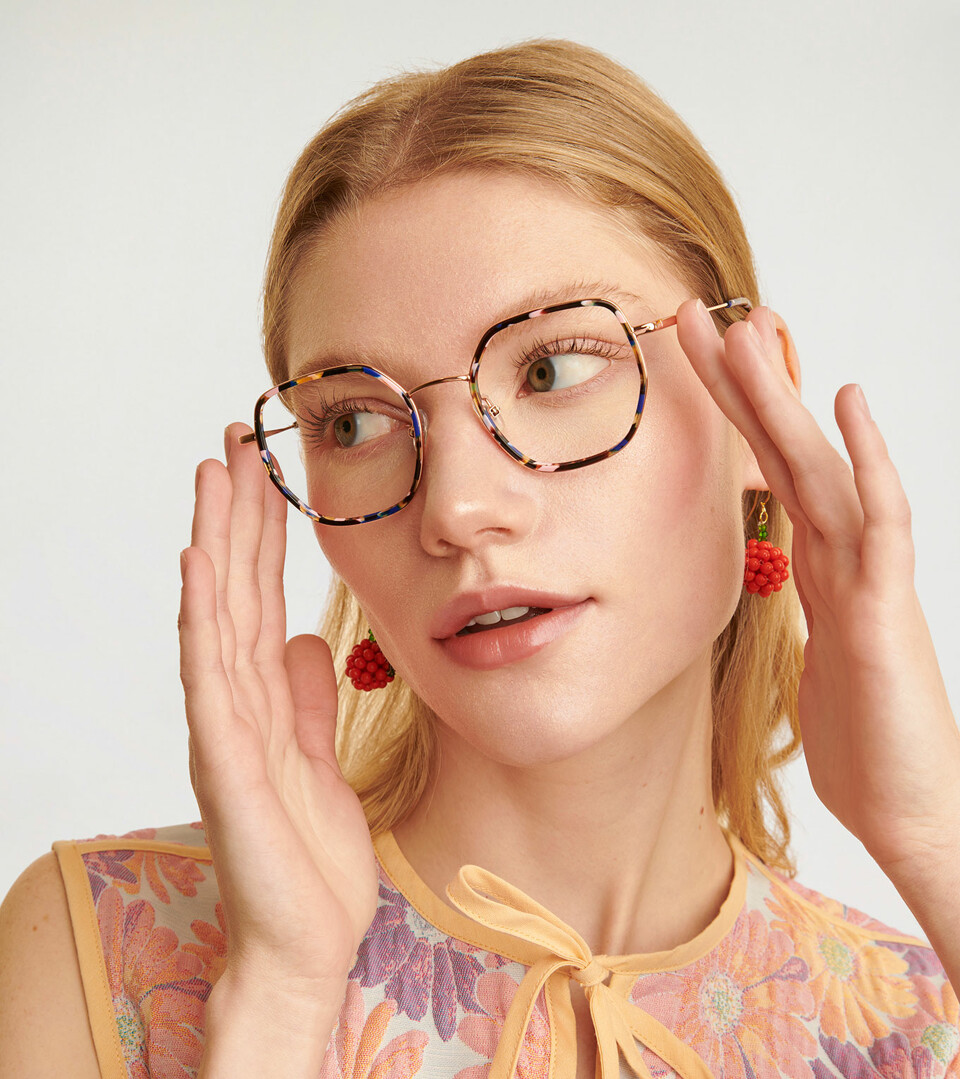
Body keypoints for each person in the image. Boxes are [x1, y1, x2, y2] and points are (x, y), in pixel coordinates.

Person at [1, 37, 958, 1079]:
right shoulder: (104, 959)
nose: (455, 508)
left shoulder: (922, 1023)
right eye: (357, 422)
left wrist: (934, 833)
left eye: (552, 368)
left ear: (754, 405)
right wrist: (279, 999)